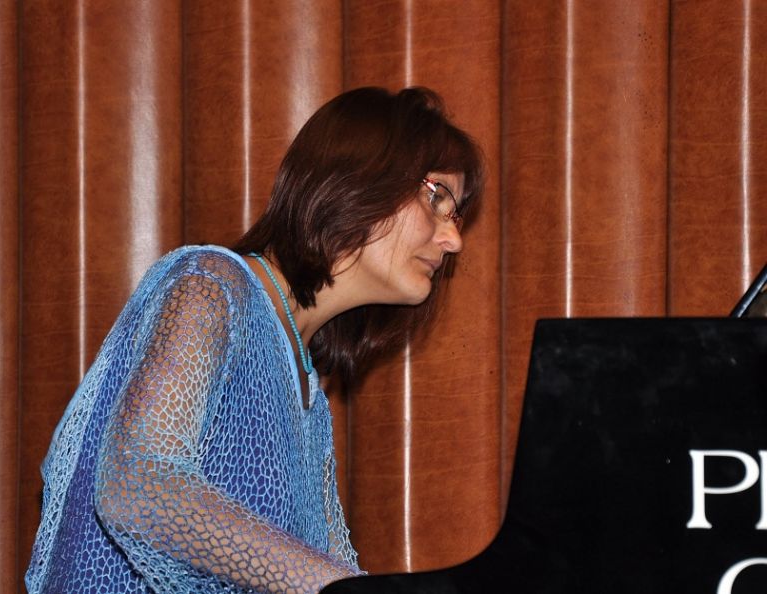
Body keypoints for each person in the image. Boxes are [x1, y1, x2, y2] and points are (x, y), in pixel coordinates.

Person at [25, 86, 484, 594]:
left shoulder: (306, 385)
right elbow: (137, 486)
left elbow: (332, 572)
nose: (453, 240)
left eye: (456, 214)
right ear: (359, 175)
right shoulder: (210, 284)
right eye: (436, 197)